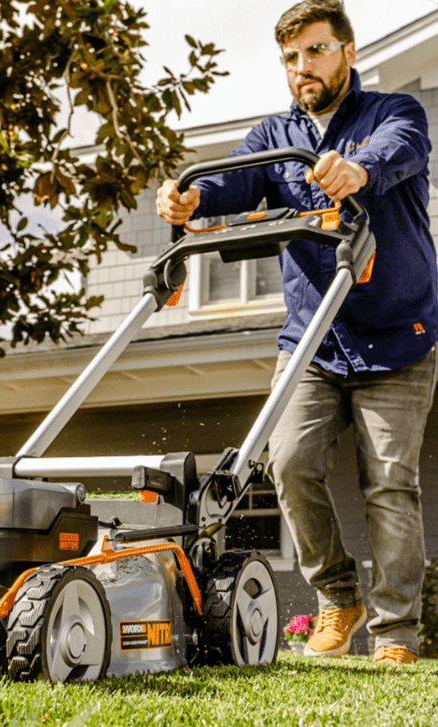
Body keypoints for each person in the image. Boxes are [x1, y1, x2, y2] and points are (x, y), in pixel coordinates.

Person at [156, 0, 438, 665]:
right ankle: (338, 595)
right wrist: (190, 198)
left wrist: (357, 169)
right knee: (287, 462)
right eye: (291, 56)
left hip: (398, 334)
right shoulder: (274, 136)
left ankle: (396, 634)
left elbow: (398, 151)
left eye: (315, 50)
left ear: (347, 51)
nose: (302, 66)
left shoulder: (395, 112)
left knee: (390, 482)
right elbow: (232, 185)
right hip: (312, 338)